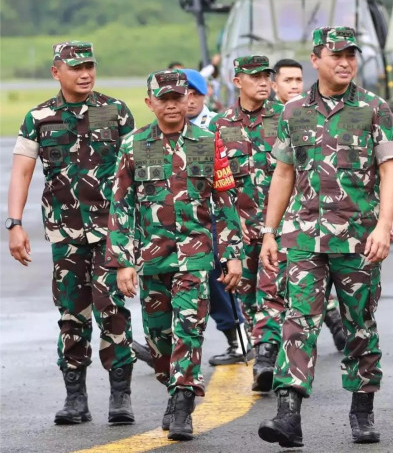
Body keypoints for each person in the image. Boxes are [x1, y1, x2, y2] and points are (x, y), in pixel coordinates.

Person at [257, 26, 393, 447]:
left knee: (359, 325)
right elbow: (284, 173)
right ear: (315, 59)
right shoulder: (293, 111)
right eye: (336, 55)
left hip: (358, 237)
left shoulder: (375, 108)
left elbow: (390, 170)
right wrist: (270, 231)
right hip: (303, 237)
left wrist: (383, 224)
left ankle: (362, 411)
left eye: (351, 55)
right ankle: (288, 414)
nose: (345, 62)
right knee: (298, 323)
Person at [107, 69, 243, 441]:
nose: (171, 105)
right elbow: (120, 206)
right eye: (163, 99)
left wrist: (232, 254)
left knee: (189, 329)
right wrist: (123, 261)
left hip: (195, 257)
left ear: (188, 100)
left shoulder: (208, 142)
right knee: (158, 338)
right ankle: (173, 385)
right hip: (152, 259)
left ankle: (183, 402)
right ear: (149, 102)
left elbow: (225, 200)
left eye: (177, 98)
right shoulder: (132, 146)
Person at [7, 41, 136, 426]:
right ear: (56, 72)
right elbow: (22, 171)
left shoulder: (115, 111)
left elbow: (134, 172)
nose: (85, 74)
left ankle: (120, 396)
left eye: (90, 66)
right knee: (71, 315)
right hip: (65, 236)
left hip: (113, 234)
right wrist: (14, 224)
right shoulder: (39, 117)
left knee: (113, 311)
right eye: (76, 67)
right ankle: (75, 398)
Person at [209, 56, 288, 391]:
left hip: (278, 229)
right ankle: (267, 349)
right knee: (249, 297)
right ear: (237, 80)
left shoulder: (285, 118)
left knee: (272, 293)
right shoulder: (219, 125)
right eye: (254, 76)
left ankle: (266, 357)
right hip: (238, 232)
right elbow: (216, 187)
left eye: (266, 76)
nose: (262, 82)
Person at [271, 58, 348, 356]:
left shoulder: (311, 115)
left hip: (306, 220)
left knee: (298, 284)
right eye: (287, 80)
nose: (293, 86)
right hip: (272, 218)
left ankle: (318, 331)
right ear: (273, 84)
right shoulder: (275, 117)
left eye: (297, 80)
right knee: (280, 286)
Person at [176, 68, 251, 367]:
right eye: (185, 94)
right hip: (178, 223)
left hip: (217, 218)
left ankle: (239, 338)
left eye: (195, 94)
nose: (189, 100)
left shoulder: (219, 126)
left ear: (205, 94)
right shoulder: (165, 128)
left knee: (219, 279)